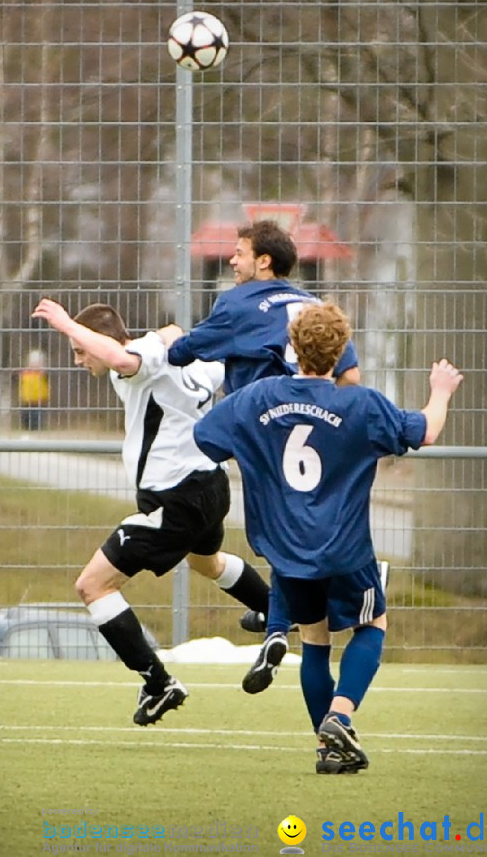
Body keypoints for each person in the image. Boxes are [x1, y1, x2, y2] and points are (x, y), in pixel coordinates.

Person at [193, 301, 463, 773]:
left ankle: (329, 750)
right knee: (372, 624)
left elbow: (206, 436)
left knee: (315, 644)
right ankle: (340, 717)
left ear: (292, 346)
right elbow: (426, 431)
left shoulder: (256, 398)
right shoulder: (360, 404)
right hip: (344, 548)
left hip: (286, 551)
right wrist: (440, 391)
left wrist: (259, 453)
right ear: (342, 352)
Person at [31, 297, 270, 727]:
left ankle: (159, 684)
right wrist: (169, 332)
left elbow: (121, 355)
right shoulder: (186, 362)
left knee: (92, 586)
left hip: (175, 500)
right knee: (206, 562)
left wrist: (67, 324)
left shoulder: (140, 364)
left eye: (80, 351)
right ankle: (274, 609)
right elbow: (183, 344)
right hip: (211, 488)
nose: (79, 359)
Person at [160, 219, 361, 693]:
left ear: (263, 261)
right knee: (309, 527)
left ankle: (278, 623)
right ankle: (280, 622)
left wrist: (171, 340)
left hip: (266, 428)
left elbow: (185, 353)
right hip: (323, 430)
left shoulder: (237, 303)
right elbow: (350, 380)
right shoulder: (315, 307)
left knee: (273, 534)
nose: (232, 260)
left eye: (239, 252)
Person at [19, 349, 50, 431]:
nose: (35, 365)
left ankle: (37, 428)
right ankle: (26, 427)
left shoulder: (43, 373)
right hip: (27, 399)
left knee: (37, 415)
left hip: (38, 399)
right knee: (26, 415)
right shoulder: (25, 372)